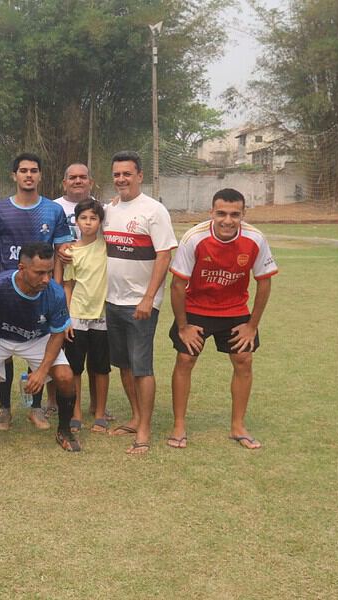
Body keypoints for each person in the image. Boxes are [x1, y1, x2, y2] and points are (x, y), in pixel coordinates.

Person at [167, 188, 277, 450]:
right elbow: (177, 286)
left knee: (244, 360)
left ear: (243, 214)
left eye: (235, 214)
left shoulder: (255, 239)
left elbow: (264, 284)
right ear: (211, 213)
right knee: (185, 358)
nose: (228, 220)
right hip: (197, 306)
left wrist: (252, 326)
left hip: (234, 308)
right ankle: (179, 425)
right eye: (221, 213)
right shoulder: (194, 238)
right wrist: (183, 327)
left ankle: (238, 426)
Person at [0, 153, 74, 431]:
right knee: (4, 348)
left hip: (40, 292)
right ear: (14, 175)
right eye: (23, 170)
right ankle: (4, 408)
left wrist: (54, 285)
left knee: (38, 344)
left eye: (34, 170)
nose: (29, 175)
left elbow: (60, 252)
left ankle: (35, 408)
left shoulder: (53, 211)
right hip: (6, 291)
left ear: (40, 175)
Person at [0, 242, 79, 451]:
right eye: (39, 273)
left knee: (66, 377)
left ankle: (64, 430)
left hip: (37, 338)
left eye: (49, 272)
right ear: (22, 268)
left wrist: (41, 371)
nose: (46, 279)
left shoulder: (55, 293)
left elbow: (57, 334)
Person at [103, 151, 177, 454]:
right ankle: (134, 417)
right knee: (122, 364)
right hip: (111, 300)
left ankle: (144, 429)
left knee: (142, 367)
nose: (121, 179)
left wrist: (149, 298)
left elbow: (164, 254)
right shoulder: (109, 209)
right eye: (117, 174)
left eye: (127, 174)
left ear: (140, 175)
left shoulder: (154, 211)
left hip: (141, 304)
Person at [60, 200, 112, 433]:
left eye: (93, 218)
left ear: (100, 222)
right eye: (84, 218)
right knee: (75, 368)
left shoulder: (107, 246)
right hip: (77, 316)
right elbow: (68, 285)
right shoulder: (70, 252)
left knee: (101, 367)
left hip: (102, 316)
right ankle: (76, 411)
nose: (88, 223)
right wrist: (67, 318)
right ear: (76, 221)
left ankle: (100, 412)